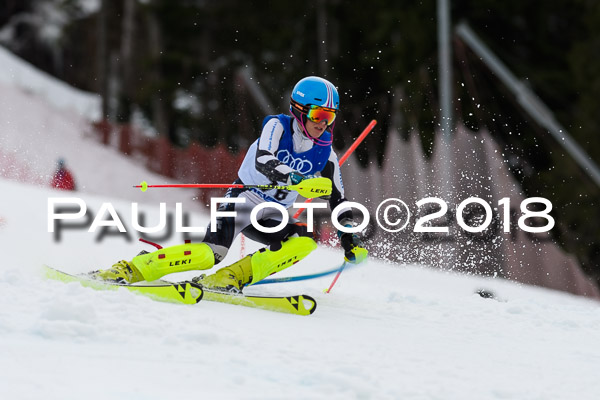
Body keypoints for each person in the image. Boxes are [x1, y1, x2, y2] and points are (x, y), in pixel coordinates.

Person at [92, 76, 368, 292]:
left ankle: (230, 278)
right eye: (319, 115)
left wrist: (349, 239)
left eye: (330, 117)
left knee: (304, 241)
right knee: (209, 254)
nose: (324, 124)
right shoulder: (278, 127)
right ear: (299, 110)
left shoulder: (326, 154)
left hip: (272, 214)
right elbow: (263, 159)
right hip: (242, 200)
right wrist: (296, 179)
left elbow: (338, 200)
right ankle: (132, 269)